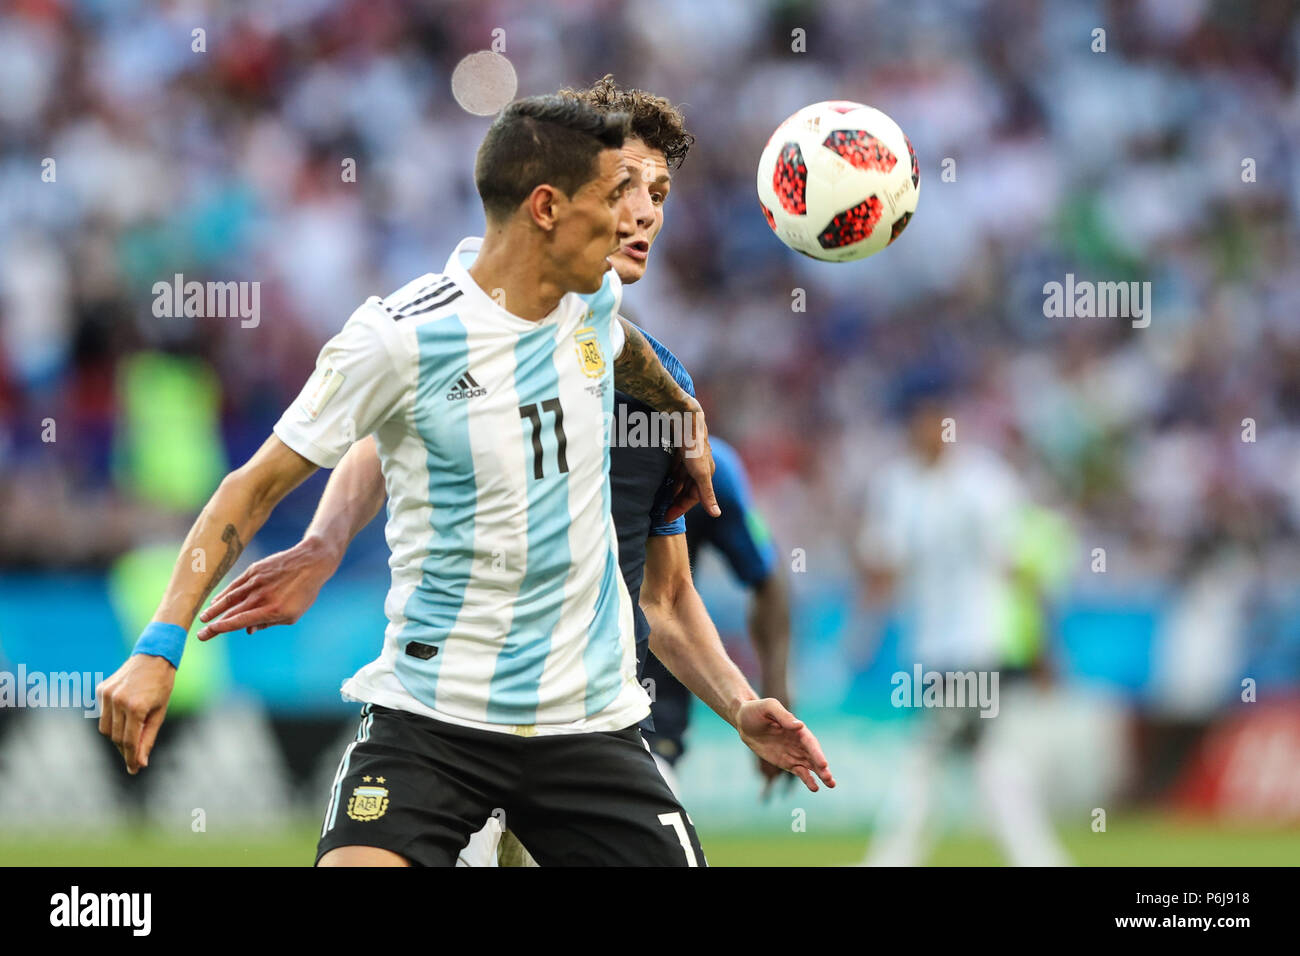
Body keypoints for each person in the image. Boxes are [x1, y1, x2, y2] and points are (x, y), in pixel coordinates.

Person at [98, 93, 832, 867]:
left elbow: (621, 350)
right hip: (433, 720)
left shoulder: (594, 304)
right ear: (547, 207)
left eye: (651, 196)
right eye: (618, 197)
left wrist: (681, 409)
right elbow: (256, 486)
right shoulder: (402, 338)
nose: (636, 220)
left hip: (587, 725)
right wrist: (162, 641)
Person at [855, 385, 1068, 866]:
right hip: (929, 646)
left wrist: (1042, 644)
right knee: (992, 761)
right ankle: (1040, 858)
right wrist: (862, 634)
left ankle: (891, 859)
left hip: (975, 642)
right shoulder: (895, 486)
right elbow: (882, 566)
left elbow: (1016, 569)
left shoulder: (983, 482)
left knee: (925, 754)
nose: (931, 431)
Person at [642, 436, 792, 797]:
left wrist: (776, 691)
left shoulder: (705, 465)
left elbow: (768, 579)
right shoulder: (557, 445)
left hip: (654, 708)